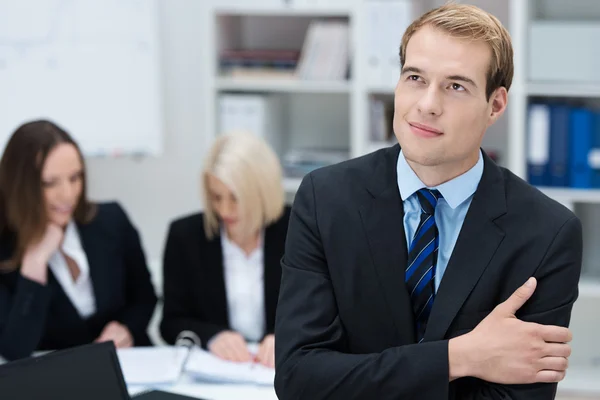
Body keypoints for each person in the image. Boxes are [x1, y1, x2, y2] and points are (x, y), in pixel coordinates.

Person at [274, 4, 582, 400]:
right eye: (415, 78)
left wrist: (359, 378)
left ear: (496, 105)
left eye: (456, 86)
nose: (427, 104)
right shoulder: (325, 199)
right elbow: (299, 379)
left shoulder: (548, 232)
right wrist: (459, 358)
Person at [0, 120, 158, 361]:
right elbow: (14, 349)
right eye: (50, 183)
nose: (68, 194)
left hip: (129, 365)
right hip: (60, 380)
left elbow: (144, 297)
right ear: (20, 185)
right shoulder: (4, 250)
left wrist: (125, 328)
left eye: (75, 178)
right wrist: (36, 262)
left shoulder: (111, 220)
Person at [160, 131, 290, 368]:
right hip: (216, 374)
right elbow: (171, 324)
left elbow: (323, 314)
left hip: (279, 372)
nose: (224, 210)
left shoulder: (298, 230)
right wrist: (211, 336)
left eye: (235, 198)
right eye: (216, 197)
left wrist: (286, 336)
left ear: (261, 193)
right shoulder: (185, 236)